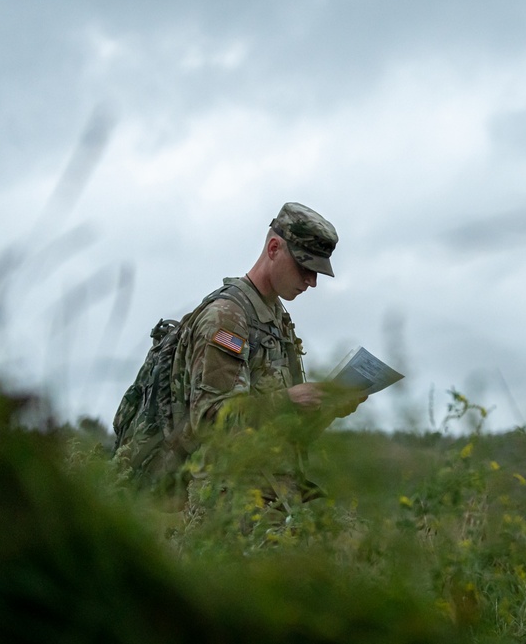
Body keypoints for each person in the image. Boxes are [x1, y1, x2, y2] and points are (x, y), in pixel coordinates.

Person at [113, 202, 365, 506]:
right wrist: (290, 399)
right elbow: (210, 421)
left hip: (273, 496)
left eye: (317, 272)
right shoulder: (226, 317)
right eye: (304, 268)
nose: (311, 281)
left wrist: (327, 407)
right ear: (274, 248)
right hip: (229, 502)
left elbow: (279, 428)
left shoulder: (276, 319)